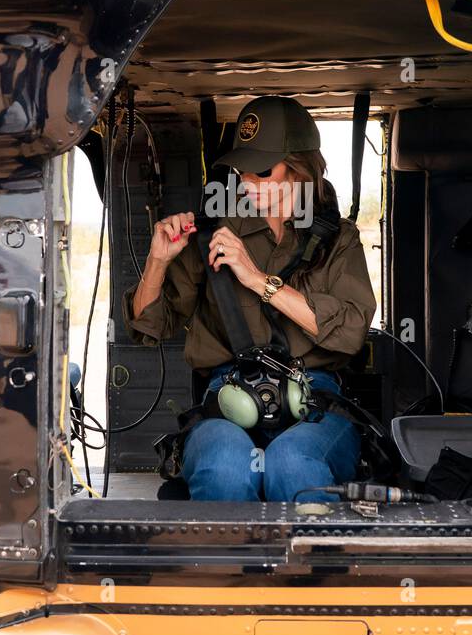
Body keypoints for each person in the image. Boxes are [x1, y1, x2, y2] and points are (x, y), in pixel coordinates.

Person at [123, 97, 376, 502]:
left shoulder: (338, 240)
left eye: (261, 170)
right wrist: (157, 261)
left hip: (314, 397)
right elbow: (150, 325)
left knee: (292, 463)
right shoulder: (213, 235)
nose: (246, 182)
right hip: (228, 396)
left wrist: (258, 280)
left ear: (300, 168)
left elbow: (350, 333)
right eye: (242, 170)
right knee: (225, 463)